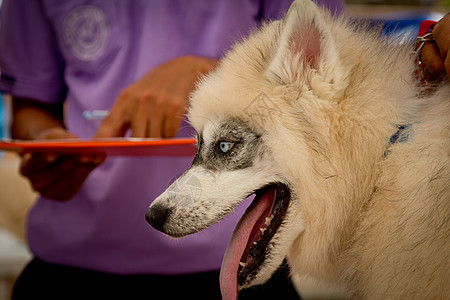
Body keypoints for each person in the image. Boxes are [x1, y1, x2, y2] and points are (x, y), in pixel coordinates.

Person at [0, 0, 346, 299]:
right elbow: (30, 107)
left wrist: (213, 75)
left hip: (237, 266)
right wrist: (46, 141)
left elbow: (325, 84)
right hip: (67, 274)